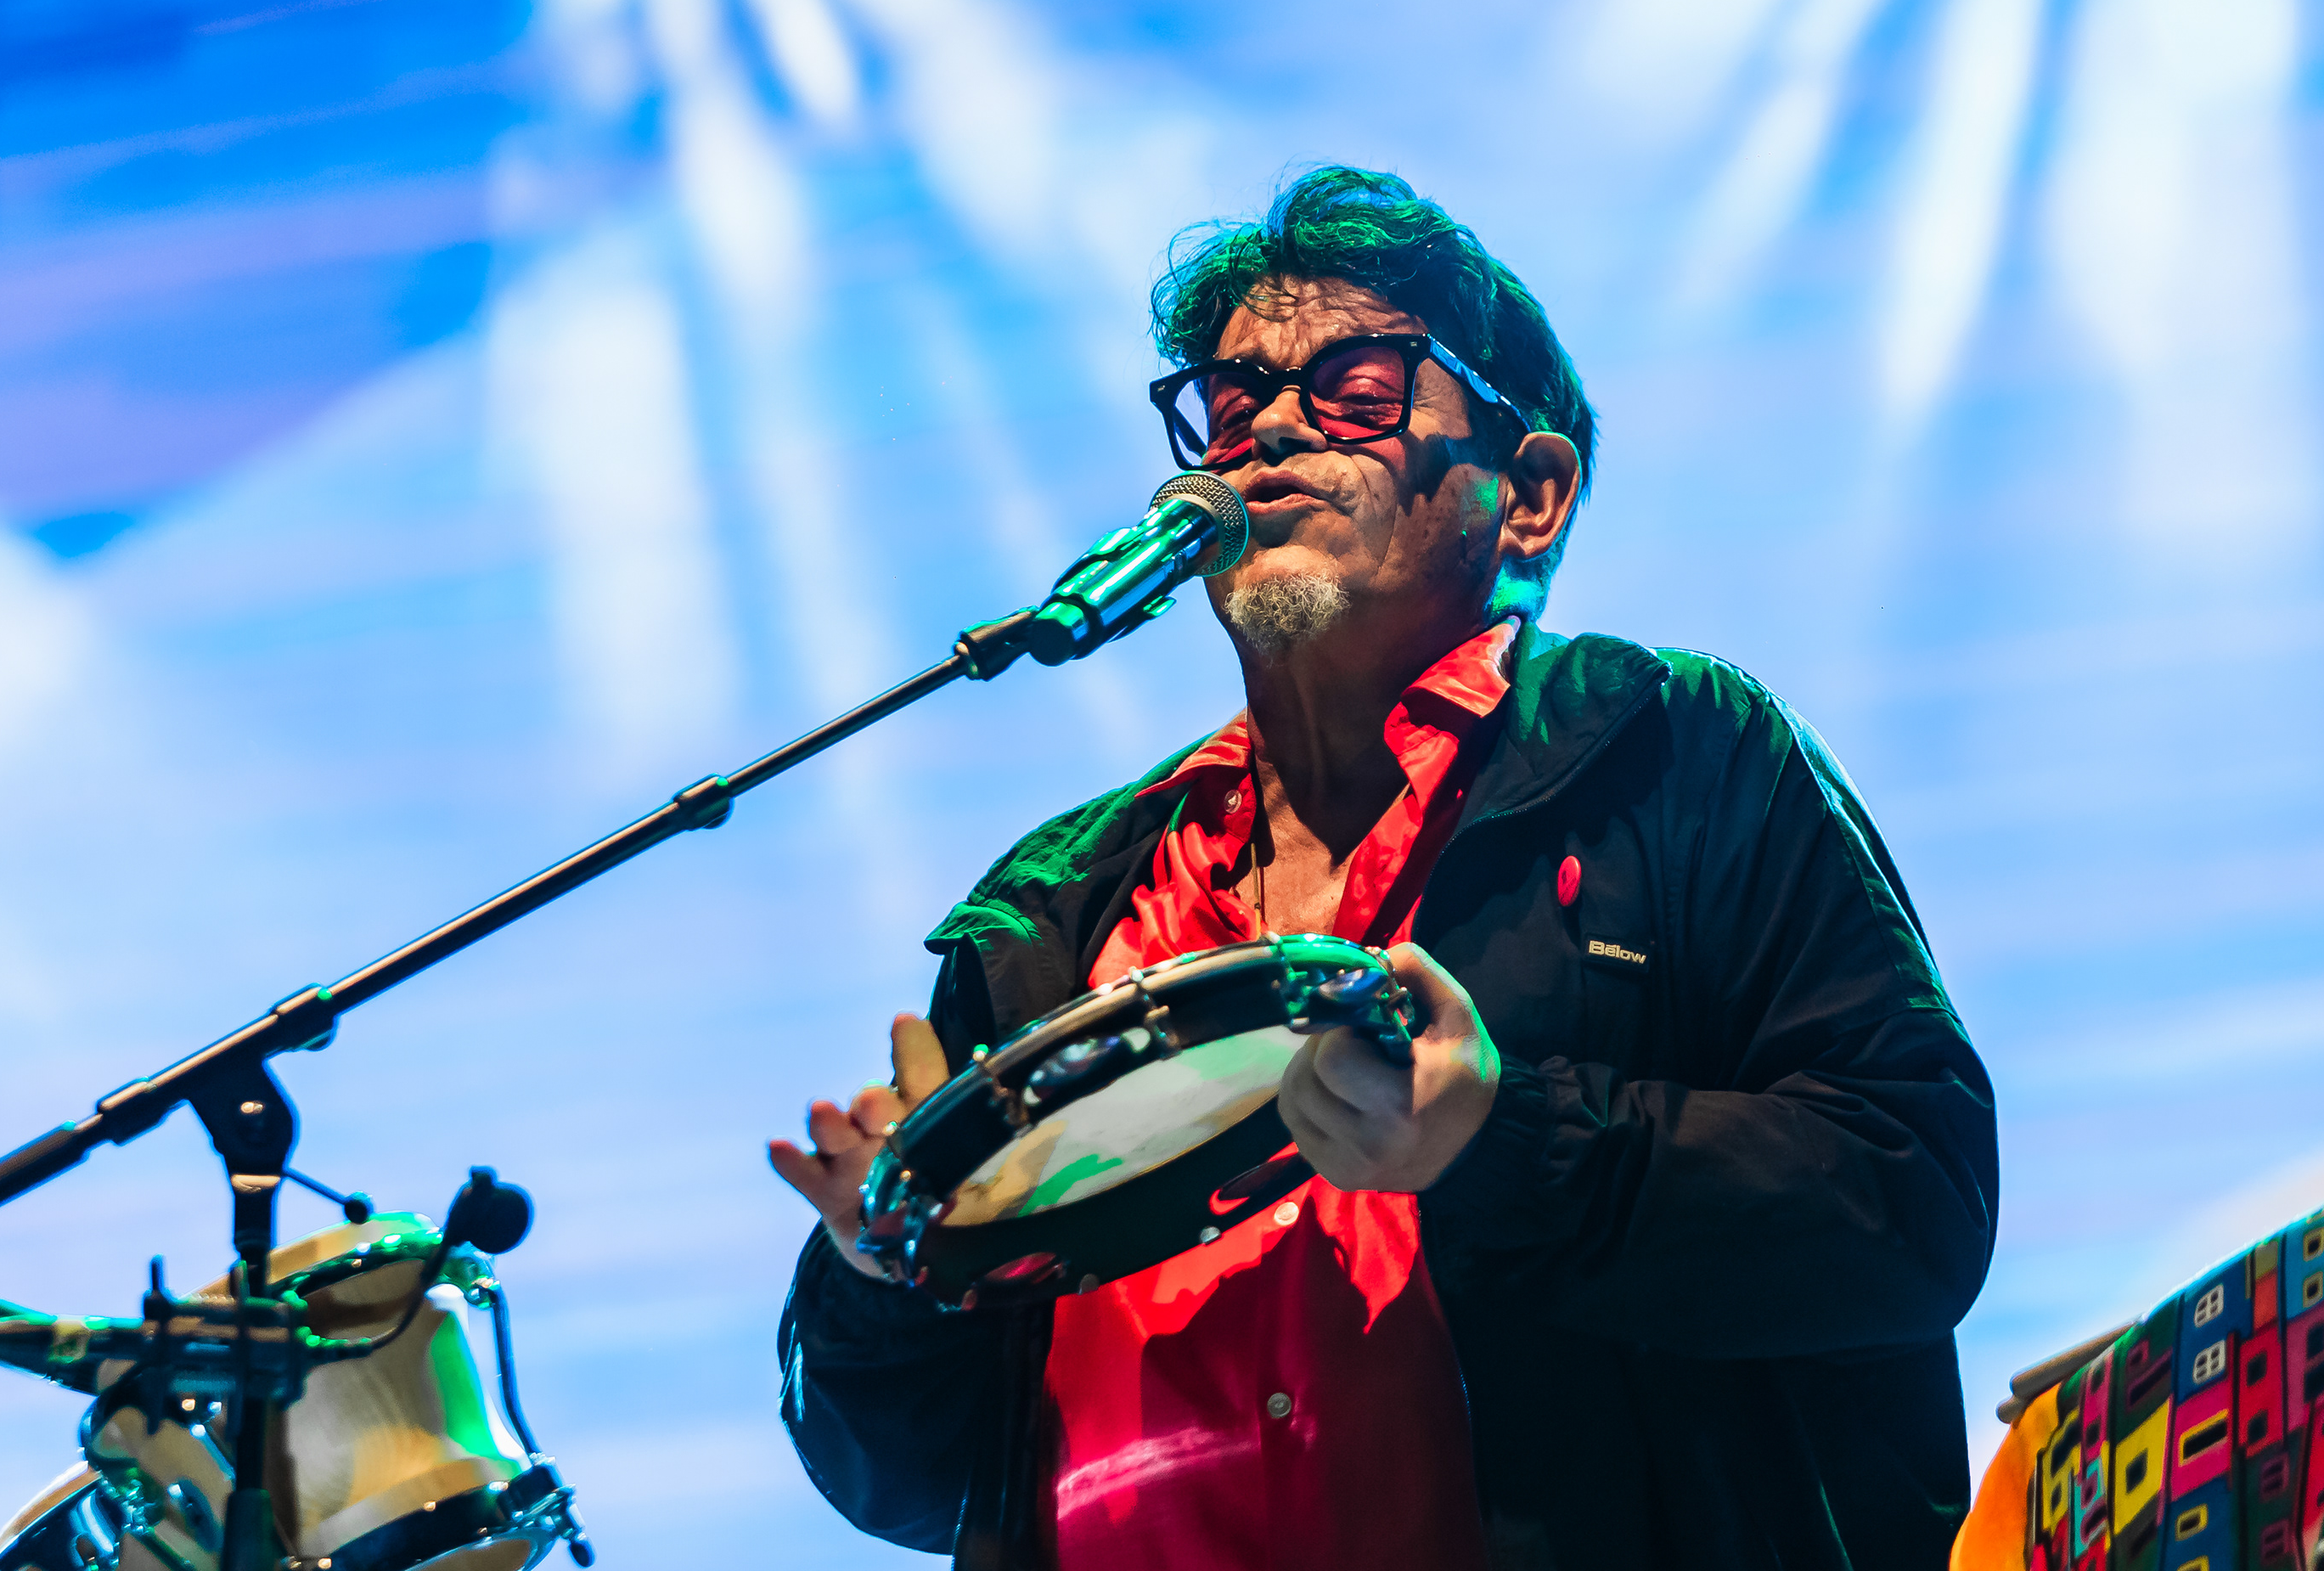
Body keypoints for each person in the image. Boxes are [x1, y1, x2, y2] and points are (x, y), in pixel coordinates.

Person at [771, 166, 1998, 1570]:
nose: (1272, 429)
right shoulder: (1055, 910)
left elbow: (1912, 1210)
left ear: (1529, 495)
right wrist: (892, 1275)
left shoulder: (1676, 751)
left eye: (1357, 388)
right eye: (1230, 402)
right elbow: (912, 1484)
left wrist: (1503, 1141)